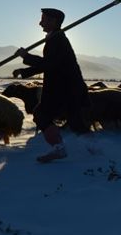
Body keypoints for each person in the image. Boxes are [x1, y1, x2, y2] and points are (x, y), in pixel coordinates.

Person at [15, 8, 89, 163]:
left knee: (41, 114)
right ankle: (95, 149)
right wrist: (24, 71)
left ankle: (59, 149)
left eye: (44, 19)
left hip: (63, 89)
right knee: (76, 122)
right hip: (69, 88)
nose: (40, 22)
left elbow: (50, 64)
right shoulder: (55, 38)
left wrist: (26, 56)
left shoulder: (57, 40)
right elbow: (48, 64)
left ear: (53, 21)